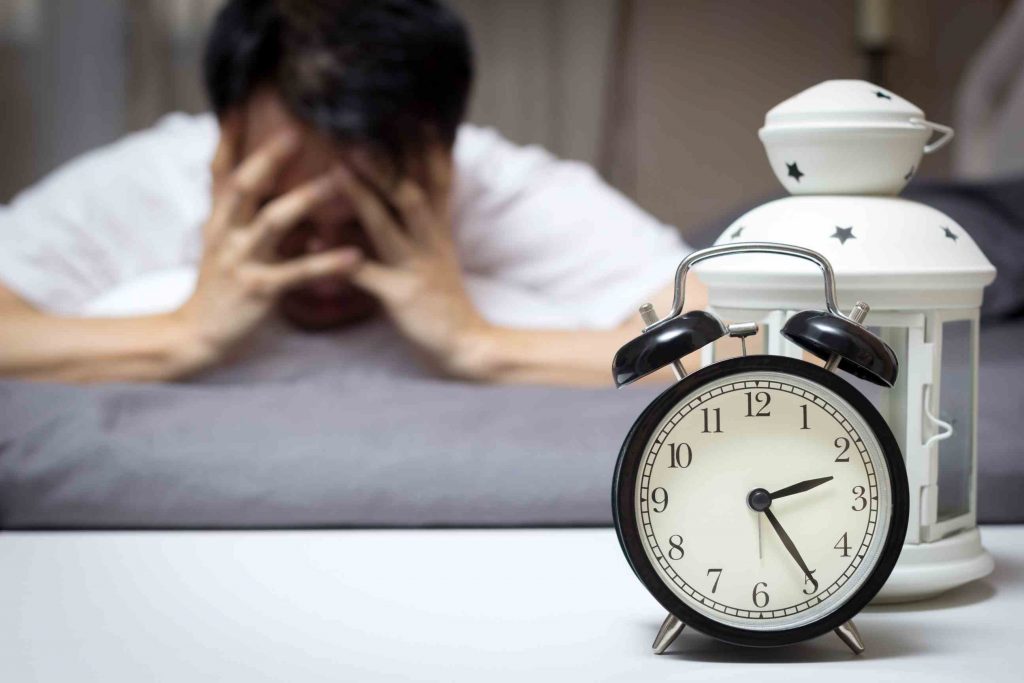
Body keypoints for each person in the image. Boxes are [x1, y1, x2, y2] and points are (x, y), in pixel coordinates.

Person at [0, 0, 701, 385]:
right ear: (225, 147)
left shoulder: (501, 187)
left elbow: (736, 343)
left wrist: (479, 343)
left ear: (444, 159)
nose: (328, 257)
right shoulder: (158, 176)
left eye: (372, 213)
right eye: (285, 209)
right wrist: (177, 335)